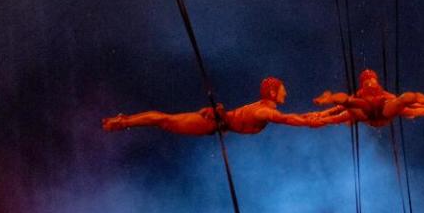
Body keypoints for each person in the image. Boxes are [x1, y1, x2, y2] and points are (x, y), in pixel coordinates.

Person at [103, 77, 341, 138]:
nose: (286, 93)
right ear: (272, 92)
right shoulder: (264, 111)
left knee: (165, 119)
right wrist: (320, 120)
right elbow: (296, 120)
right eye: (282, 89)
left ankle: (123, 122)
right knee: (164, 120)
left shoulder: (264, 108)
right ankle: (123, 122)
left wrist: (330, 113)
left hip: (216, 121)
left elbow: (300, 117)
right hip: (211, 122)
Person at [313, 68, 424, 127]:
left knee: (348, 106)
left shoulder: (363, 93)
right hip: (375, 114)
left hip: (373, 114)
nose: (370, 83)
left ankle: (330, 98)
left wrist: (324, 114)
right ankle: (330, 100)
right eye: (368, 80)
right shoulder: (373, 93)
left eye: (371, 80)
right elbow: (398, 102)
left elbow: (342, 106)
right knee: (349, 107)